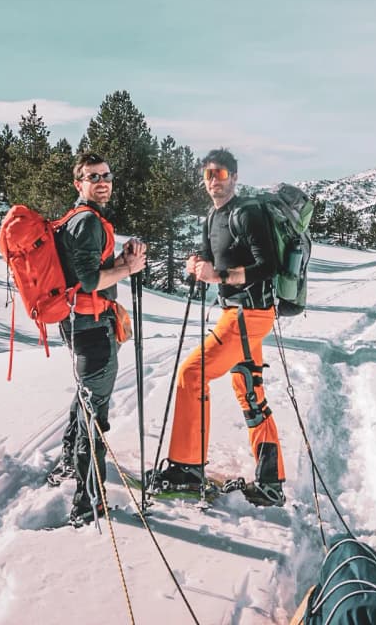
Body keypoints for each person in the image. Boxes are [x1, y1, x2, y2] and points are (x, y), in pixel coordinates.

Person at [147, 148, 286, 507]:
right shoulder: (213, 217)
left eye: (221, 174)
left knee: (192, 374)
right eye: (209, 174)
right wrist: (198, 263)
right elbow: (212, 257)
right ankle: (271, 482)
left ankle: (186, 469)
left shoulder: (248, 212)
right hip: (238, 314)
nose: (214, 180)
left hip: (248, 314)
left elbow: (266, 265)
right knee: (250, 393)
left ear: (235, 177)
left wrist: (220, 275)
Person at [46, 152, 147, 527]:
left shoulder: (77, 219)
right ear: (79, 184)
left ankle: (69, 464)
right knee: (94, 412)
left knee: (85, 397)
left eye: (106, 175)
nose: (102, 182)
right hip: (92, 327)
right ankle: (89, 502)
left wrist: (120, 261)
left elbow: (83, 271)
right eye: (93, 177)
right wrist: (128, 268)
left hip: (78, 324)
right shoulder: (87, 221)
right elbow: (89, 281)